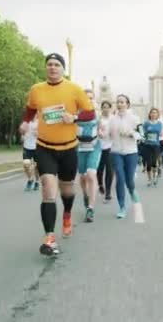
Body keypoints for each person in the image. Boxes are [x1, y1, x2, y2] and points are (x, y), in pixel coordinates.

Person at [20, 52, 95, 256]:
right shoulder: (36, 90)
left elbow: (90, 112)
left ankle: (68, 214)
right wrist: (25, 122)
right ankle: (49, 238)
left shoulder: (73, 89)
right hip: (44, 147)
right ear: (46, 68)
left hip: (69, 148)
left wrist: (74, 117)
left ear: (63, 69)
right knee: (47, 189)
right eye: (49, 64)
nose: (52, 68)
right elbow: (29, 109)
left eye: (57, 65)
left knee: (67, 191)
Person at [108, 94, 142, 218]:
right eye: (118, 102)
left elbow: (141, 135)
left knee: (129, 181)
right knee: (120, 179)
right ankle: (122, 207)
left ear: (127, 104)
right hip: (116, 151)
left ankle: (132, 191)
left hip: (131, 152)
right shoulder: (112, 119)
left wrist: (131, 133)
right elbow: (107, 134)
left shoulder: (135, 118)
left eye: (122, 102)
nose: (120, 104)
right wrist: (102, 133)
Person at [77, 89, 102, 223]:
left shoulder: (97, 114)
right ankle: (85, 195)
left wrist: (102, 132)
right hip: (80, 148)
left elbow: (102, 129)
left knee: (91, 174)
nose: (89, 100)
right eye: (86, 98)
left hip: (94, 147)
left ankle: (90, 208)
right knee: (82, 176)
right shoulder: (76, 113)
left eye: (91, 98)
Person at [97, 101, 114, 203]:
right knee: (99, 169)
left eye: (107, 107)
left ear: (110, 108)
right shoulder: (99, 119)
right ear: (101, 108)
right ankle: (100, 184)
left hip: (110, 146)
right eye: (104, 107)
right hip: (99, 146)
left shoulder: (113, 119)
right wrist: (99, 132)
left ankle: (108, 192)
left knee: (109, 169)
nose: (106, 109)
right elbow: (96, 129)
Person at [143, 108, 163, 187]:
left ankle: (154, 177)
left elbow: (161, 133)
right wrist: (144, 135)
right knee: (148, 163)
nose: (153, 114)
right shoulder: (146, 123)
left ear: (157, 115)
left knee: (154, 162)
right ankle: (149, 179)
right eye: (152, 113)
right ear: (150, 114)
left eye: (155, 113)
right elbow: (142, 132)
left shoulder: (159, 124)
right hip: (147, 145)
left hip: (156, 145)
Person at [21, 116, 40, 191]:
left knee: (37, 167)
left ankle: (37, 182)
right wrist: (22, 136)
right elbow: (22, 132)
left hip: (37, 147)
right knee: (26, 165)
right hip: (27, 147)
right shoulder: (25, 122)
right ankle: (30, 179)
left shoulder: (40, 122)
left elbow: (45, 134)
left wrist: (38, 134)